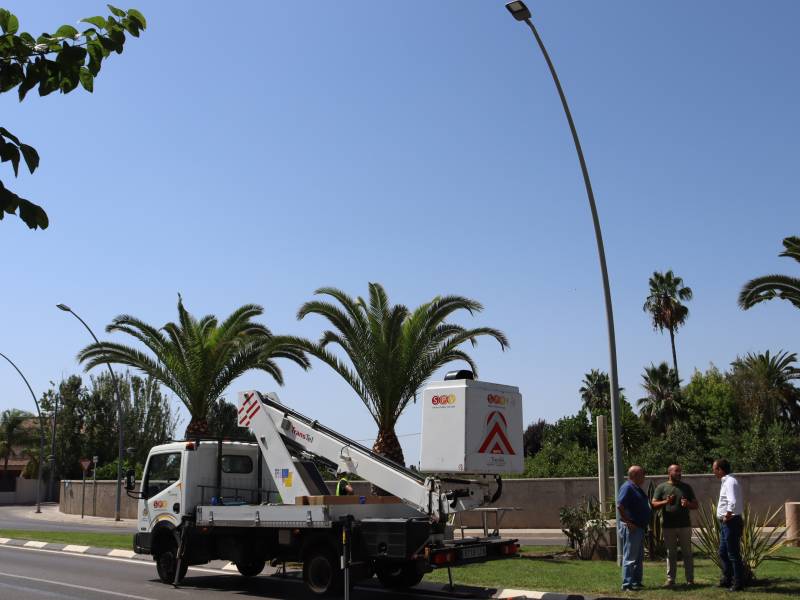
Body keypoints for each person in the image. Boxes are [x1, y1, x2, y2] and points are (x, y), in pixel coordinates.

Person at [652, 464, 698, 586]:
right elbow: (653, 504)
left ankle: (690, 579)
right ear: (670, 472)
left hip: (684, 525)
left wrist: (687, 504)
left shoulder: (686, 487)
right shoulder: (661, 487)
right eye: (676, 471)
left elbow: (695, 505)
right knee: (671, 553)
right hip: (668, 526)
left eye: (680, 471)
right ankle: (670, 579)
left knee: (687, 553)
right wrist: (666, 502)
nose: (679, 473)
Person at [617, 465, 652, 591]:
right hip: (632, 527)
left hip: (640, 527)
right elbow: (620, 506)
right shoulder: (627, 487)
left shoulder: (636, 488)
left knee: (638, 557)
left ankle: (636, 581)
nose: (644, 476)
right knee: (630, 557)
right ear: (635, 475)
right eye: (643, 474)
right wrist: (628, 522)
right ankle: (627, 584)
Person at [713, 458, 744, 591]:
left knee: (733, 553)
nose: (713, 472)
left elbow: (733, 500)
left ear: (720, 469)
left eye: (714, 469)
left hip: (730, 522)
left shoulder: (730, 482)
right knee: (723, 552)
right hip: (727, 523)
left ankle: (738, 583)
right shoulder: (726, 481)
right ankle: (727, 578)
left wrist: (728, 515)